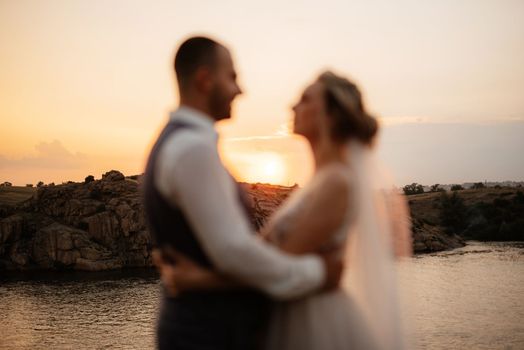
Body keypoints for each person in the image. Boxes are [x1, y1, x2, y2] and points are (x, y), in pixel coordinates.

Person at [156, 70, 413, 349]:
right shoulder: (319, 182)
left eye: (305, 99)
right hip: (295, 314)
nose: (293, 106)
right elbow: (265, 258)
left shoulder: (337, 182)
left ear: (331, 115)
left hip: (318, 325)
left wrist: (197, 280)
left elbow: (272, 267)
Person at [142, 36, 342, 350]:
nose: (240, 89)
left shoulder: (177, 142)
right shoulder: (192, 149)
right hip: (205, 336)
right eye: (232, 76)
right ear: (205, 80)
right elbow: (234, 252)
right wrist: (317, 273)